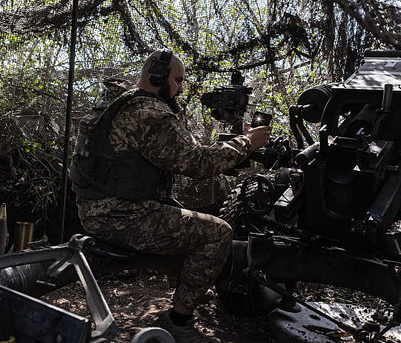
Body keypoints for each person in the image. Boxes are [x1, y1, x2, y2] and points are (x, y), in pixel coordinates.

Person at [69, 49, 271, 343]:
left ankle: (189, 289)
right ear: (157, 78)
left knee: (182, 214)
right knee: (218, 232)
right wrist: (248, 143)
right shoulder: (150, 114)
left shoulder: (120, 101)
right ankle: (179, 320)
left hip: (98, 209)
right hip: (121, 217)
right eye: (177, 81)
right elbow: (196, 164)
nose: (179, 88)